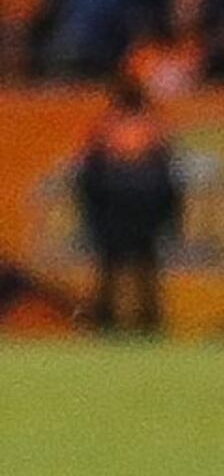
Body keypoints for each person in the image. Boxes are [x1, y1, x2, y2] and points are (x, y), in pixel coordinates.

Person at [71, 76, 178, 334]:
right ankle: (149, 324)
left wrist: (91, 212)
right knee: (145, 267)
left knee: (111, 267)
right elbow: (167, 178)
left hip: (113, 206)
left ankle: (107, 323)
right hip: (143, 207)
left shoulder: (106, 128)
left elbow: (88, 177)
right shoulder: (152, 128)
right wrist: (167, 214)